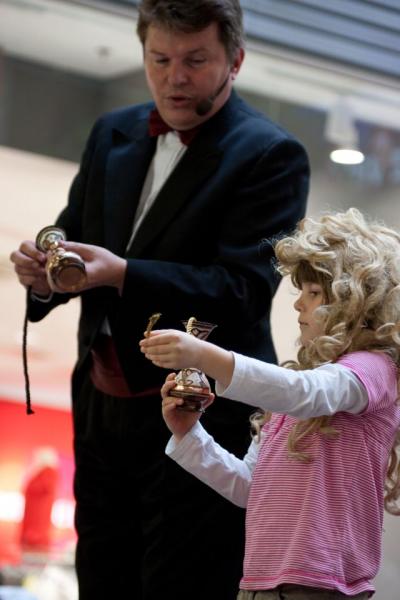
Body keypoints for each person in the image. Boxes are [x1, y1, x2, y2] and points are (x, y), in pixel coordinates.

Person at [9, 1, 309, 598]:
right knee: (101, 578)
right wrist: (45, 276)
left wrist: (124, 274)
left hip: (203, 414)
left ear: (235, 61)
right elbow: (75, 236)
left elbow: (244, 291)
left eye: (195, 60)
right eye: (160, 59)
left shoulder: (271, 155)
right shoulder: (111, 132)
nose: (174, 78)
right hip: (101, 402)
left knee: (184, 585)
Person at [140, 207, 400, 600]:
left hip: (321, 585)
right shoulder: (297, 389)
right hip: (259, 583)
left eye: (314, 293)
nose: (298, 305)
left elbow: (305, 393)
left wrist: (205, 356)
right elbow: (250, 486)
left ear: (357, 301)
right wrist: (190, 435)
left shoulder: (373, 369)